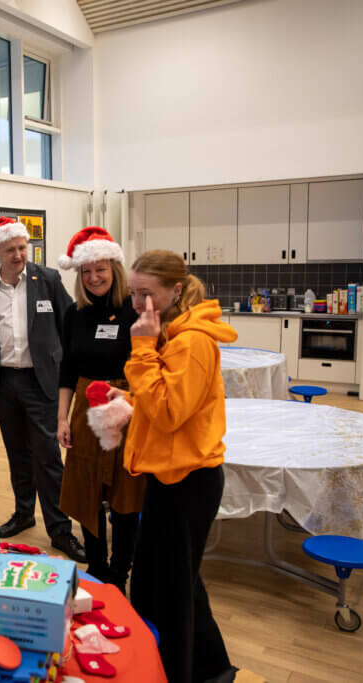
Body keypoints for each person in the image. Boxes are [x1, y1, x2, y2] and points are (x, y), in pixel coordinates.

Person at [110, 249, 237, 683]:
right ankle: (211, 668)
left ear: (176, 290)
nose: (137, 304)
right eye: (133, 294)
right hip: (170, 474)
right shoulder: (172, 331)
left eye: (147, 294)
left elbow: (169, 413)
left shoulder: (191, 341)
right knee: (168, 583)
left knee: (169, 589)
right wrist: (127, 401)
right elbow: (163, 401)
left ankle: (178, 673)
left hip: (189, 482)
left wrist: (141, 346)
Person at [0, 216, 85, 562]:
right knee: (17, 453)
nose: (19, 254)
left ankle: (60, 530)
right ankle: (23, 514)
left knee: (47, 456)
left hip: (41, 381)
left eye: (22, 247)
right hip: (5, 382)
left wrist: (59, 361)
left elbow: (69, 321)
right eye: (11, 249)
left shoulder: (47, 279)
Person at [55, 227, 144, 591]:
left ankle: (120, 572)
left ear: (114, 268)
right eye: (86, 272)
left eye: (100, 270)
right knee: (87, 490)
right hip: (84, 408)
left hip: (125, 406)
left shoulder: (134, 309)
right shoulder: (75, 314)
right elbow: (67, 369)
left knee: (125, 494)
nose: (93, 278)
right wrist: (62, 417)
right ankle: (96, 565)